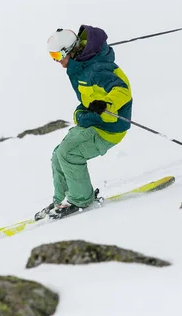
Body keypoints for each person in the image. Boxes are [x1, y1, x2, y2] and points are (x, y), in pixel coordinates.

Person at [35, 25, 133, 220]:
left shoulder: (96, 69)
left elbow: (122, 91)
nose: (57, 62)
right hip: (94, 122)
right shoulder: (81, 68)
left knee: (69, 155)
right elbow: (88, 99)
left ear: (69, 51)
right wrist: (82, 111)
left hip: (108, 127)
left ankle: (81, 199)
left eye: (56, 56)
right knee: (58, 155)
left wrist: (106, 103)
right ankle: (62, 199)